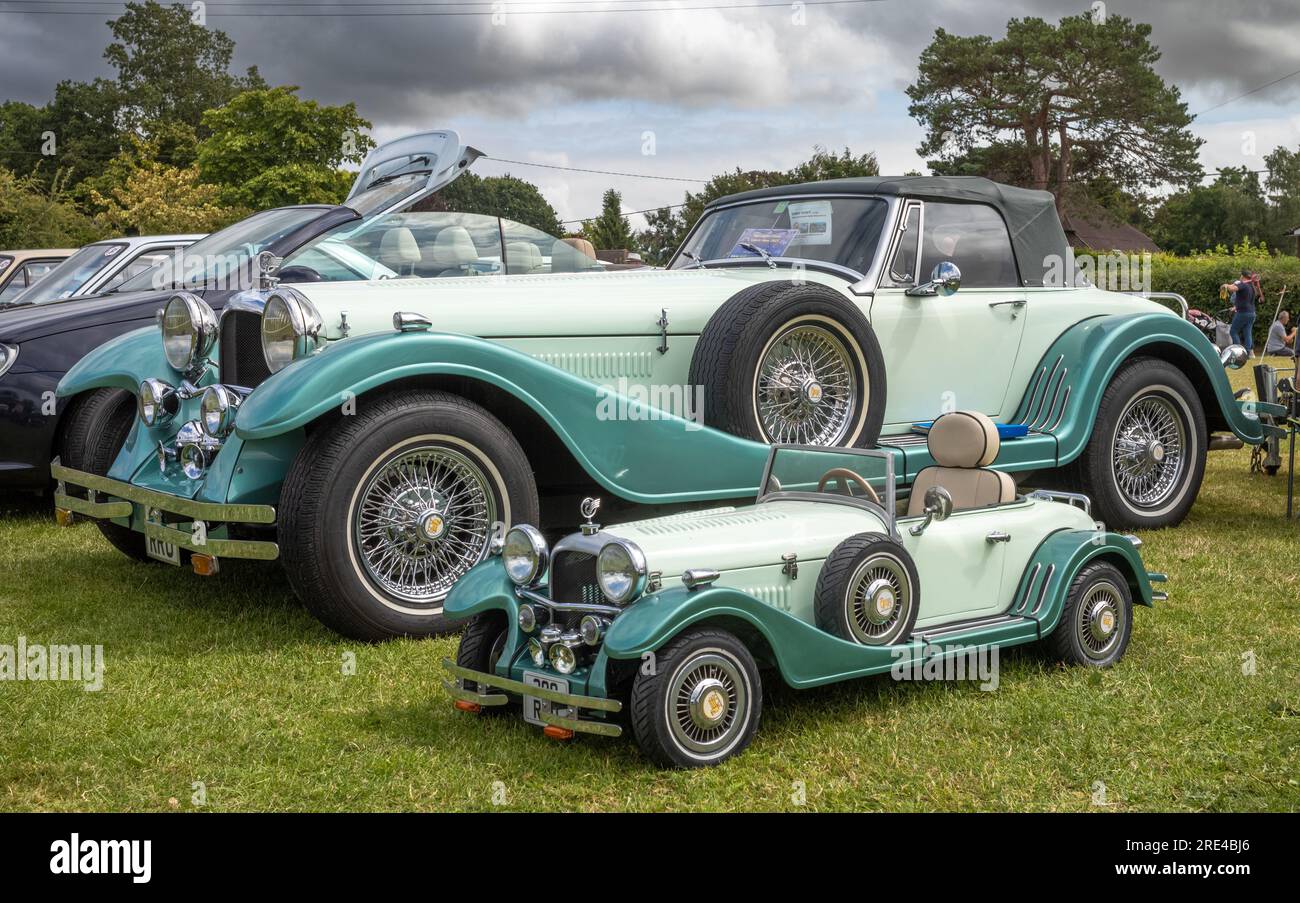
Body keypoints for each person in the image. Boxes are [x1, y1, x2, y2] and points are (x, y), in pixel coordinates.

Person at [1222, 270, 1258, 352]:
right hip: (1252, 313)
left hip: (1243, 313)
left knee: (1233, 331)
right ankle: (1248, 352)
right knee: (1247, 332)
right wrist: (1236, 307)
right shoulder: (1251, 286)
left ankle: (1238, 351)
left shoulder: (1243, 284)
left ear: (1242, 276)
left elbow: (1232, 289)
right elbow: (1246, 300)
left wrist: (1226, 285)